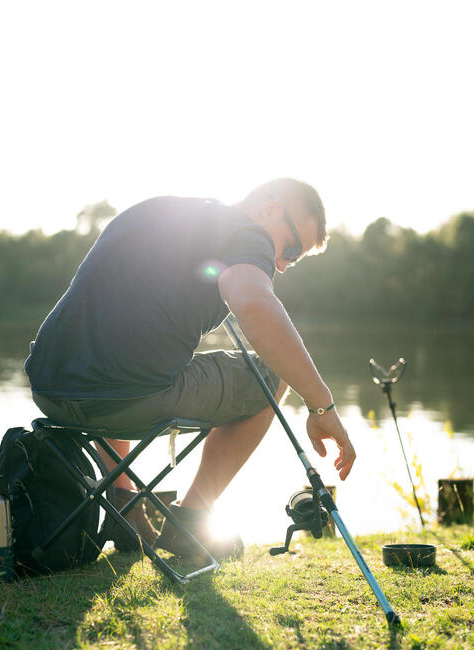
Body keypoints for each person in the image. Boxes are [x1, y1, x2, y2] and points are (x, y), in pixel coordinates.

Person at [24, 178, 355, 559]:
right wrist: (321, 405)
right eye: (291, 248)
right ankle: (192, 520)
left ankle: (124, 504)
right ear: (269, 208)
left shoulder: (162, 211)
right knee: (274, 376)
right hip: (127, 398)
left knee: (127, 358)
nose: (280, 263)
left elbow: (116, 326)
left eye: (292, 260)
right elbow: (254, 302)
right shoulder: (248, 233)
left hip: (50, 390)